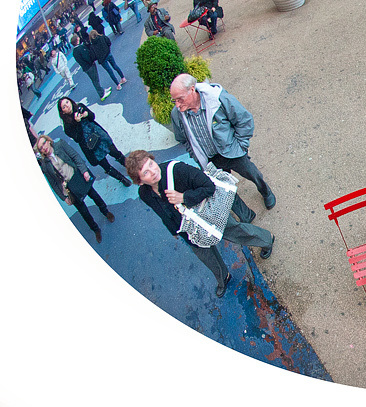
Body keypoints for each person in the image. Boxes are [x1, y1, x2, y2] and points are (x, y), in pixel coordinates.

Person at [127, 150, 274, 298]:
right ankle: (223, 277)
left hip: (209, 215)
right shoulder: (145, 193)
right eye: (145, 172)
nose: (153, 171)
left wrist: (183, 197)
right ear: (140, 181)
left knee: (236, 231)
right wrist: (175, 231)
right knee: (206, 256)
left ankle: (266, 240)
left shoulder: (177, 170)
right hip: (188, 230)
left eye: (151, 164)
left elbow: (209, 187)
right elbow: (162, 212)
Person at [169, 74, 277, 210]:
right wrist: (196, 156)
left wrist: (241, 145)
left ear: (192, 90)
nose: (177, 105)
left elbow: (244, 120)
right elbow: (182, 139)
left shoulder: (218, 99)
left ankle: (266, 191)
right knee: (223, 189)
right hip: (209, 160)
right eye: (175, 101)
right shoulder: (177, 115)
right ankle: (245, 214)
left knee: (253, 174)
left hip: (231, 151)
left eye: (180, 99)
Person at [35, 134, 115, 244]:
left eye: (44, 143)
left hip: (78, 177)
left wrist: (84, 171)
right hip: (70, 188)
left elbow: (75, 156)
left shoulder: (60, 145)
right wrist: (64, 197)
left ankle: (105, 212)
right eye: (40, 148)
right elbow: (53, 183)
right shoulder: (45, 165)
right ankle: (95, 229)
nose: (44, 147)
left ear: (48, 141)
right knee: (83, 212)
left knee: (94, 195)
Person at [57, 96, 131, 186]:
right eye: (64, 107)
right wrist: (77, 122)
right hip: (90, 146)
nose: (67, 106)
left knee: (114, 152)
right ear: (63, 112)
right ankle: (121, 178)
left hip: (99, 135)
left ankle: (128, 165)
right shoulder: (67, 127)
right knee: (105, 165)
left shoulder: (80, 107)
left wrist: (86, 114)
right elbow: (78, 138)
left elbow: (92, 117)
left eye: (67, 102)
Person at [70, 33, 111, 101]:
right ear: (77, 40)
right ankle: (101, 94)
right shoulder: (80, 48)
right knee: (95, 80)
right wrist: (91, 61)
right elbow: (86, 57)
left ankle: (101, 90)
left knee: (95, 80)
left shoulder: (74, 51)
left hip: (85, 68)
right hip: (89, 66)